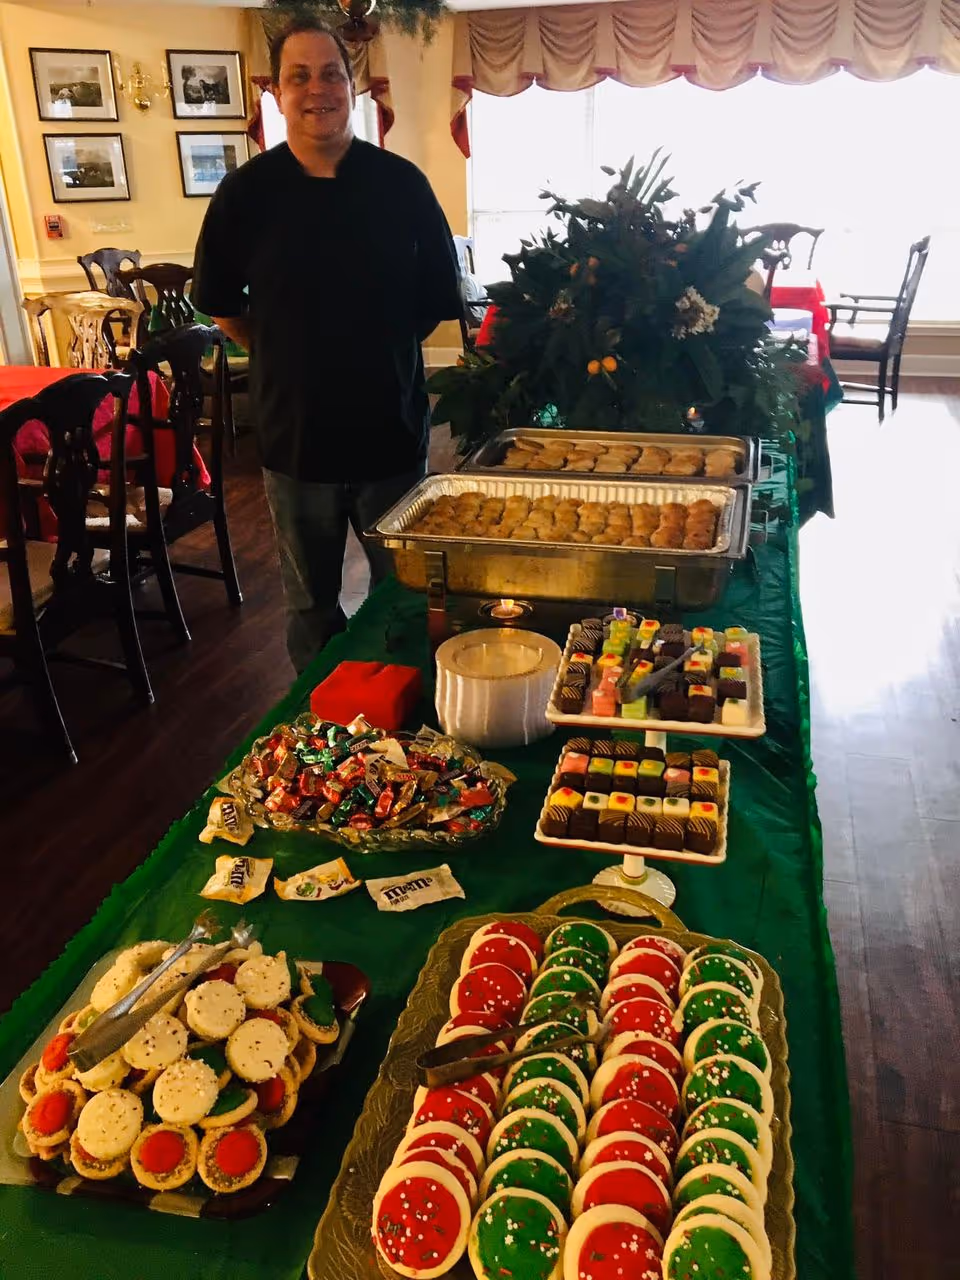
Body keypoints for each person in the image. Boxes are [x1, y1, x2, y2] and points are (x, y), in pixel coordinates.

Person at [192, 16, 461, 672]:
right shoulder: (246, 194)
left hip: (390, 436)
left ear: (353, 85)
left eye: (332, 73)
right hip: (294, 439)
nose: (318, 88)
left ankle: (411, 723)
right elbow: (222, 303)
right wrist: (290, 352)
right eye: (299, 76)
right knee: (310, 604)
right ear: (278, 94)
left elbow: (433, 302)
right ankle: (322, 730)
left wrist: (369, 351)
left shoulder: (403, 186)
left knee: (403, 597)